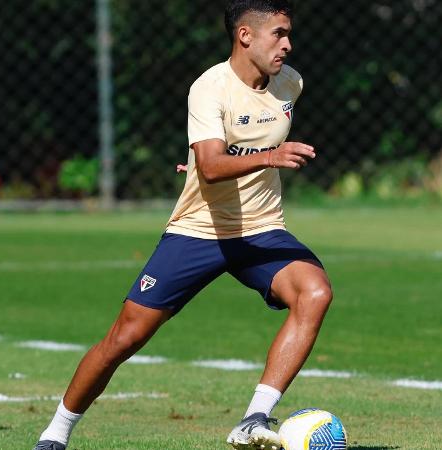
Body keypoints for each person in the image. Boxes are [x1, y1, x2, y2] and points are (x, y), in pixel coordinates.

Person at [32, 1, 333, 449]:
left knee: (315, 292)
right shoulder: (209, 87)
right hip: (198, 230)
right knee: (124, 338)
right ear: (245, 36)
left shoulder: (290, 84)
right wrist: (259, 158)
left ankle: (253, 420)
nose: (288, 45)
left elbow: (227, 151)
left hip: (261, 228)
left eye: (290, 34)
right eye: (279, 34)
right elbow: (212, 167)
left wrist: (214, 161)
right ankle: (55, 435)